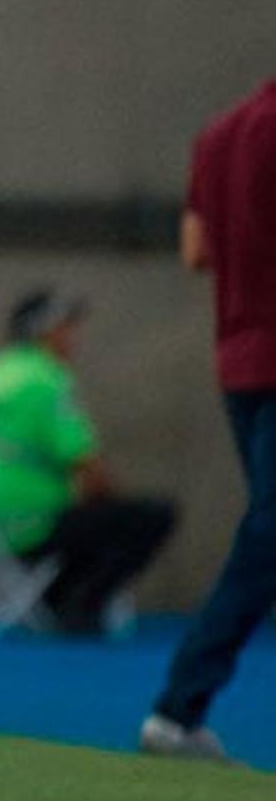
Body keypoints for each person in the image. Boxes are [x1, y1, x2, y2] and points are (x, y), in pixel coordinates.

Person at [140, 78, 276, 762]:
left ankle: (181, 704)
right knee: (265, 540)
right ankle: (178, 703)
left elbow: (195, 251)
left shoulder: (219, 135)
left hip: (241, 359)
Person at [0, 290, 178, 636]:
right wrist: (110, 496)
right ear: (42, 332)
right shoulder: (46, 378)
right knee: (149, 517)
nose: (74, 337)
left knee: (92, 524)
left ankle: (60, 600)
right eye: (66, 327)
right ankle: (83, 606)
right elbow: (86, 465)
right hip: (29, 521)